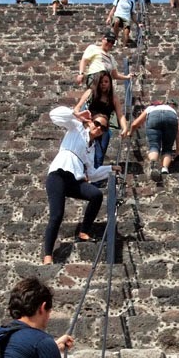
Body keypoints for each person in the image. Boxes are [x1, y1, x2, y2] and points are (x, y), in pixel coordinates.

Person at [43, 107, 119, 264]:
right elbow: (54, 114)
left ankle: (84, 231)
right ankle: (48, 255)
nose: (98, 129)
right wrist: (75, 114)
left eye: (103, 128)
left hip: (74, 180)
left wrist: (110, 168)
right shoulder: (76, 128)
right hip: (58, 175)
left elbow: (91, 173)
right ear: (91, 122)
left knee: (96, 195)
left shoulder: (92, 148)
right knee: (56, 215)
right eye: (97, 124)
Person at [73, 70, 122, 166]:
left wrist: (124, 128)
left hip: (103, 129)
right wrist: (80, 118)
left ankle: (95, 179)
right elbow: (77, 108)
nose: (103, 84)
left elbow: (120, 115)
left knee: (99, 156)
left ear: (110, 83)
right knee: (83, 151)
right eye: (101, 82)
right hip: (89, 125)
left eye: (106, 82)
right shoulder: (90, 92)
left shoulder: (113, 98)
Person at [123, 101, 179, 180]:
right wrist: (178, 152)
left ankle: (153, 164)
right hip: (171, 118)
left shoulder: (150, 108)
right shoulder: (172, 110)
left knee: (154, 146)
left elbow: (135, 124)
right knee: (167, 148)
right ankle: (164, 168)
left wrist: (130, 132)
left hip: (154, 117)